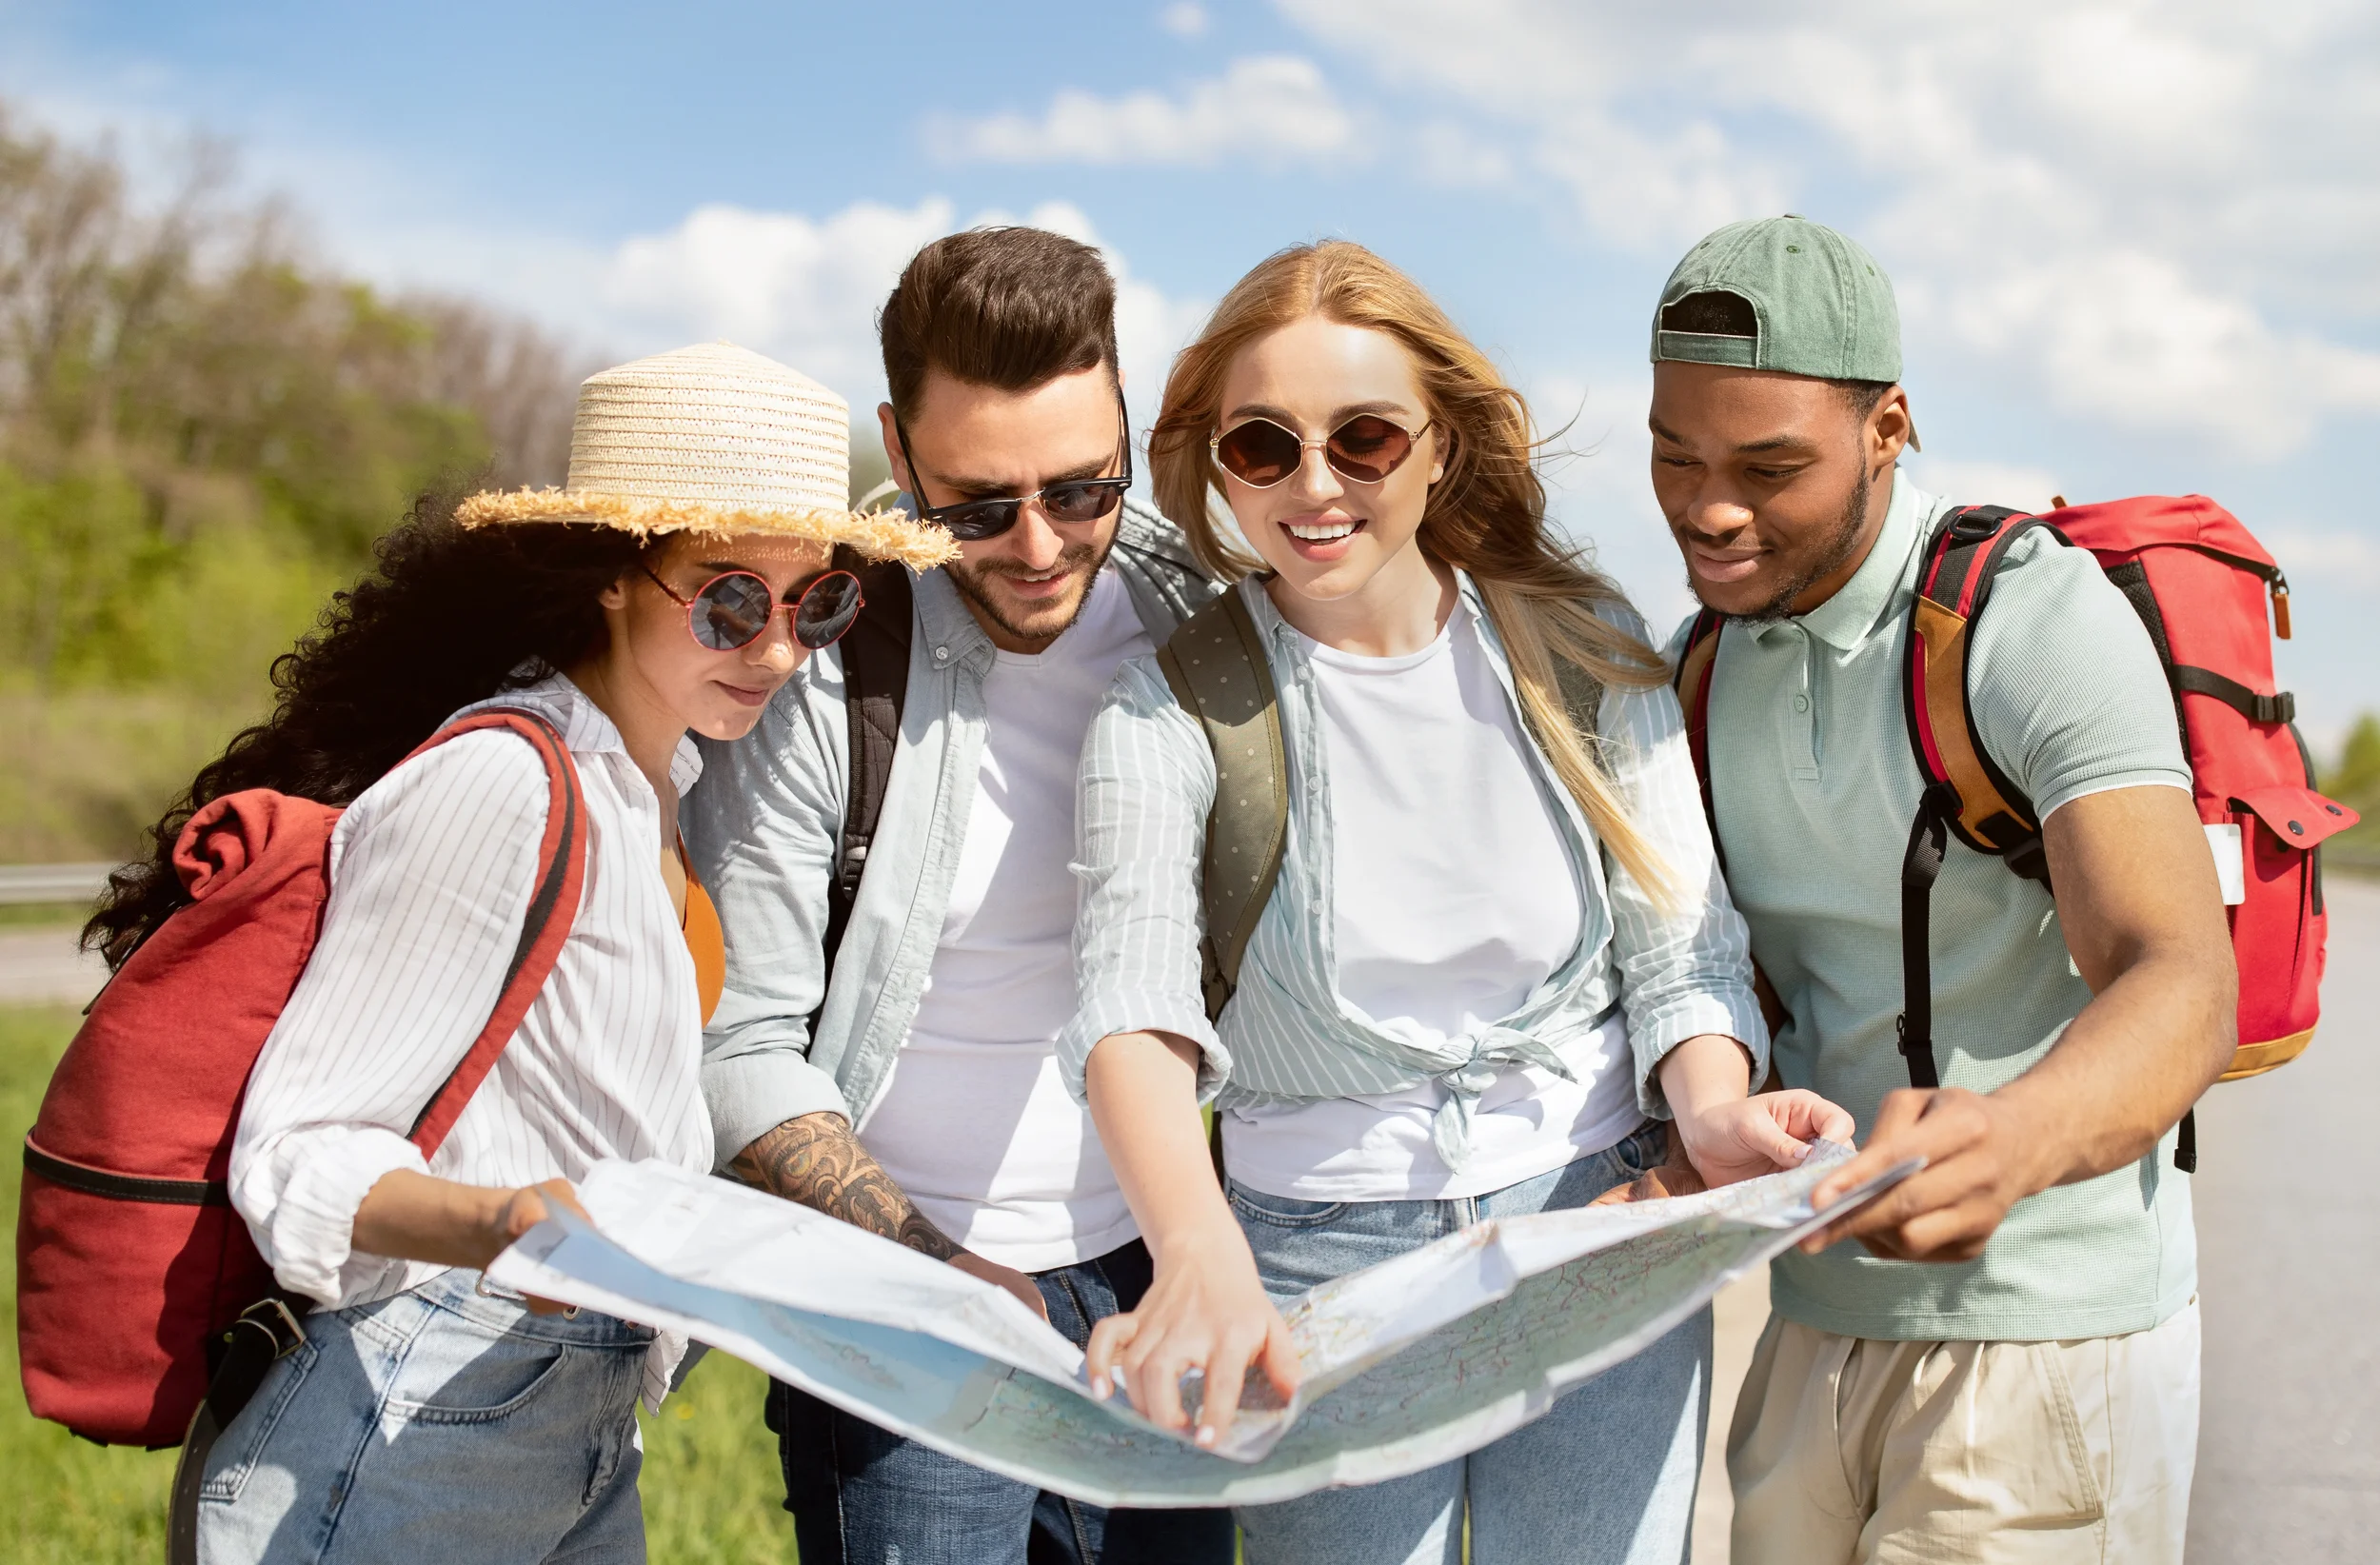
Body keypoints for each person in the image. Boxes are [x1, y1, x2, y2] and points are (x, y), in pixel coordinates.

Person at [84, 342, 955, 1565]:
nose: (776, 651)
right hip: (407, 1424)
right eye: (729, 599)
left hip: (571, 1419)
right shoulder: (502, 783)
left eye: (816, 601)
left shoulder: (659, 788)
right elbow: (301, 1152)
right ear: (611, 575)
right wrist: (504, 1221)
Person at [1059, 239, 1853, 1565]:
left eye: (1364, 438)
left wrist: (1710, 1113)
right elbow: (1129, 1000)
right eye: (1264, 448)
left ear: (1439, 450)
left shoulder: (1582, 645)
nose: (1316, 485)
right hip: (1320, 1265)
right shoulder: (1165, 706)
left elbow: (1683, 943)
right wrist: (1195, 1249)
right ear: (1217, 464)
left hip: (1597, 1229)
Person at [1638, 215, 2236, 1563]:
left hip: (2047, 1331)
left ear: (1890, 426)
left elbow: (2182, 981)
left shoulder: (2030, 617)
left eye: (1768, 466)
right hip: (1812, 1322)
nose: (1709, 507)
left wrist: (2006, 1145)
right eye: (1675, 454)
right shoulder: (1699, 664)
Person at [682, 228, 1233, 1565]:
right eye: (978, 506)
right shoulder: (816, 664)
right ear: (898, 444)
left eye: (1082, 489)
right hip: (902, 1299)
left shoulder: (1206, 610)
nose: (1041, 546)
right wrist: (948, 1272)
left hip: (1164, 1271)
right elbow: (741, 1042)